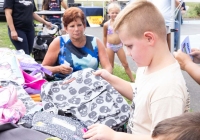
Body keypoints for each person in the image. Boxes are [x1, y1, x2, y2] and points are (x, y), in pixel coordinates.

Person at [83, 1, 189, 140]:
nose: (127, 53)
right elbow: (140, 94)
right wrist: (109, 78)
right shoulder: (147, 66)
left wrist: (114, 136)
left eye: (130, 46)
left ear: (149, 38)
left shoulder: (168, 89)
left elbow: (165, 138)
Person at [42, 7, 112, 80]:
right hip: (64, 85)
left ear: (84, 26)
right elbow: (43, 69)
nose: (76, 29)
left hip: (91, 83)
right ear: (66, 28)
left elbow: (108, 67)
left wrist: (105, 76)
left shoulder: (95, 42)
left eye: (79, 25)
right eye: (72, 26)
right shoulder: (59, 42)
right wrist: (58, 69)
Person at [103, 2, 135, 82]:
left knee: (125, 64)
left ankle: (133, 80)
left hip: (119, 46)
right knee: (111, 65)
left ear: (120, 13)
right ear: (109, 13)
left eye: (116, 13)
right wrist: (105, 47)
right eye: (112, 13)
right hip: (110, 46)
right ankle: (111, 81)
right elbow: (104, 36)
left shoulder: (121, 24)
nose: (114, 14)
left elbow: (126, 33)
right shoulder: (106, 25)